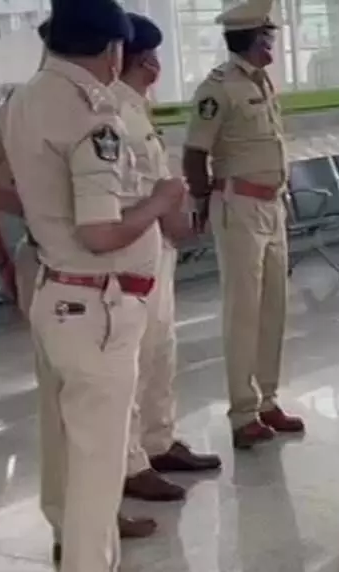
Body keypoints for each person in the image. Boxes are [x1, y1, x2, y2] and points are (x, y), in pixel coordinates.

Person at [2, 0, 193, 572]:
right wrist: (162, 201)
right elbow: (102, 230)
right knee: (95, 476)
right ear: (113, 49)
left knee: (97, 466)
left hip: (64, 296)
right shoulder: (94, 113)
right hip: (97, 307)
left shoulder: (25, 99)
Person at [0, 21, 172, 544]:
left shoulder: (26, 103)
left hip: (65, 269)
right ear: (113, 50)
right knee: (79, 417)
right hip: (77, 274)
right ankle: (82, 536)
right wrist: (10, 250)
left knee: (70, 413)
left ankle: (84, 527)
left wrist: (40, 211)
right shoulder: (81, 112)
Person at [182, 0, 306, 450]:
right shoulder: (218, 89)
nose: (272, 41)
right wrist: (200, 200)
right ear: (254, 39)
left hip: (271, 208)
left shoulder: (261, 82)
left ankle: (267, 399)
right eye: (268, 35)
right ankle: (242, 411)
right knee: (243, 310)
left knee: (275, 306)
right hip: (237, 209)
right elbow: (195, 154)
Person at [114, 13, 222, 504]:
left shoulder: (137, 107)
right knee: (134, 359)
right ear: (140, 60)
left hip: (158, 249)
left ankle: (158, 441)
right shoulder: (113, 112)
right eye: (150, 56)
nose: (156, 64)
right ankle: (130, 462)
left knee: (161, 349)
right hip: (130, 251)